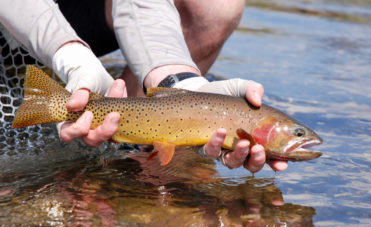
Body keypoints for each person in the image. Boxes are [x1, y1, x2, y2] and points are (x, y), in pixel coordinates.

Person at [0, 0, 288, 172]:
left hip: (82, 14)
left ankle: (128, 148)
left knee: (216, 6)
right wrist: (69, 54)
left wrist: (177, 79)